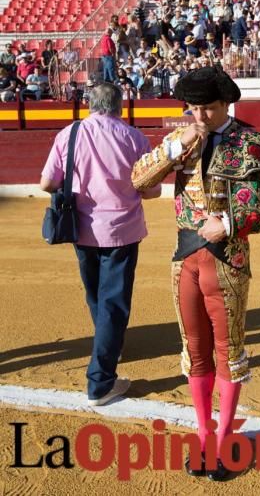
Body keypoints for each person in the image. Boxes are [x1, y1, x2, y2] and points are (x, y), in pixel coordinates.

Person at [131, 66, 260, 481]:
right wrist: (175, 147)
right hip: (185, 259)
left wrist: (232, 223)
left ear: (225, 104)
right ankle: (203, 437)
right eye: (192, 109)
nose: (198, 117)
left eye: (207, 109)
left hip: (228, 259)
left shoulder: (253, 143)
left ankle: (224, 440)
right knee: (194, 349)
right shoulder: (181, 140)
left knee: (228, 351)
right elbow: (137, 179)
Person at [40, 83, 161, 405]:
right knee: (114, 302)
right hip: (121, 228)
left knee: (96, 293)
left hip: (81, 228)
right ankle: (100, 383)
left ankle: (110, 345)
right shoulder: (135, 138)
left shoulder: (69, 134)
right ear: (120, 106)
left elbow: (47, 182)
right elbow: (150, 190)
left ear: (90, 105)